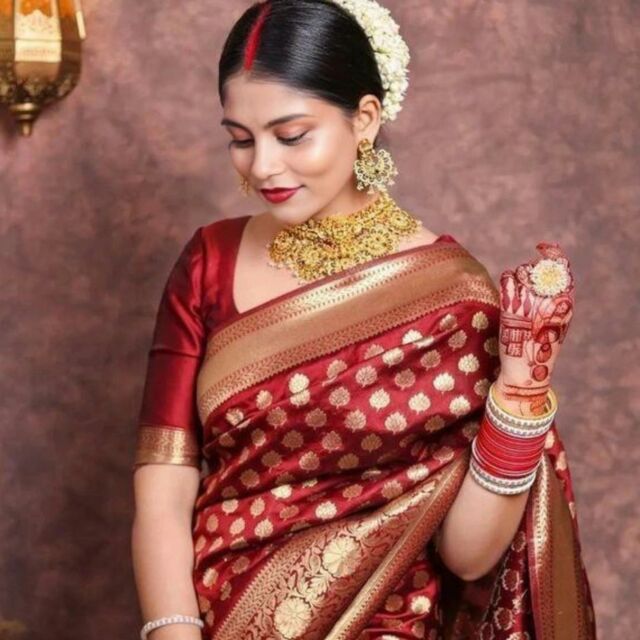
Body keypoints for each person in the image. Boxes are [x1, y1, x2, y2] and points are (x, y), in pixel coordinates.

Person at [130, 1, 597, 638]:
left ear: (366, 119)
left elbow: (468, 555)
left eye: (291, 136)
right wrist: (173, 630)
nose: (262, 165)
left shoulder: (450, 300)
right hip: (215, 619)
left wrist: (521, 389)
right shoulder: (209, 262)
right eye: (240, 139)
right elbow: (165, 479)